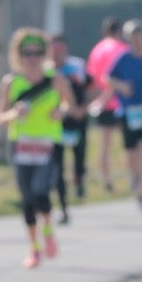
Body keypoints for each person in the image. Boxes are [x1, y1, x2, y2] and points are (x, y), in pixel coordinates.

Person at [0, 28, 73, 267]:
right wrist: (14, 113)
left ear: (44, 54)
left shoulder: (55, 79)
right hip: (21, 144)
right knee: (27, 197)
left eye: (38, 52)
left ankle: (47, 230)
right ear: (18, 55)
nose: (32, 58)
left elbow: (69, 104)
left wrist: (61, 111)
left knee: (41, 192)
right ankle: (34, 248)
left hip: (48, 143)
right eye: (27, 53)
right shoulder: (11, 82)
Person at [106, 21, 142, 210]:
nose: (136, 40)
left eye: (139, 35)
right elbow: (108, 78)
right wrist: (122, 86)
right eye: (132, 36)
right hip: (128, 111)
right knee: (131, 153)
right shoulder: (122, 58)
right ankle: (136, 177)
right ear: (127, 38)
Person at [50, 33, 92, 221]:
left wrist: (83, 108)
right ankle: (64, 207)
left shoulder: (77, 66)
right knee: (57, 166)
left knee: (79, 156)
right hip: (55, 123)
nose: (57, 53)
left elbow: (92, 87)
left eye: (60, 49)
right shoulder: (45, 71)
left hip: (77, 121)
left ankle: (79, 178)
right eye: (53, 49)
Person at [85, 17, 128, 193]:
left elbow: (92, 79)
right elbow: (118, 78)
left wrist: (97, 100)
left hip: (102, 102)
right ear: (119, 32)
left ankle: (106, 179)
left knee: (104, 144)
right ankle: (134, 179)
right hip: (120, 102)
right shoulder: (123, 49)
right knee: (129, 145)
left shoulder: (96, 50)